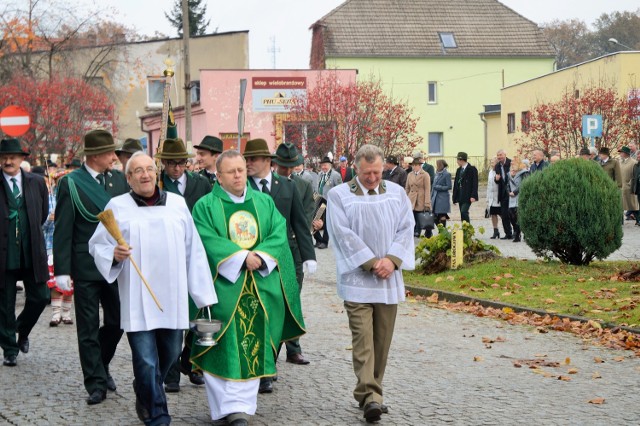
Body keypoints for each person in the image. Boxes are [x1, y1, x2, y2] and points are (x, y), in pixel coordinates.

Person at [89, 152, 218, 425]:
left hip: (172, 296)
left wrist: (203, 295)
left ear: (156, 173)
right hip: (137, 297)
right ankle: (158, 415)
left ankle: (145, 388)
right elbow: (96, 245)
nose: (145, 175)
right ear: (129, 178)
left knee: (169, 353)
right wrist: (114, 253)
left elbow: (192, 250)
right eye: (138, 171)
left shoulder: (177, 204)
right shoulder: (118, 206)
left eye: (149, 169)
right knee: (146, 360)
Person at [190, 150, 306, 426]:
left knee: (254, 345)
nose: (238, 175)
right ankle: (224, 408)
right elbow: (204, 239)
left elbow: (278, 233)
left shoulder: (264, 203)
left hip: (260, 287)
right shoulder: (205, 206)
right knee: (224, 346)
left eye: (241, 170)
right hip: (224, 289)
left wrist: (260, 256)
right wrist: (241, 257)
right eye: (231, 171)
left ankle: (241, 408)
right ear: (218, 176)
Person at [326, 144, 415, 423]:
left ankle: (371, 392)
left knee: (381, 341)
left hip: (389, 278)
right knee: (363, 340)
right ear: (355, 168)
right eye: (367, 173)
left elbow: (406, 228)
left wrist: (392, 260)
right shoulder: (339, 195)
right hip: (358, 281)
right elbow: (342, 234)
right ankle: (370, 397)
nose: (373, 178)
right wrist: (371, 262)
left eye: (377, 172)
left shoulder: (396, 193)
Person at [53, 129, 129, 404]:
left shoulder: (119, 181)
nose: (114, 157)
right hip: (85, 266)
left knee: (118, 322)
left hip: (114, 264)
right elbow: (63, 228)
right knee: (87, 328)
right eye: (110, 152)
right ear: (96, 155)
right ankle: (95, 383)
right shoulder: (71, 183)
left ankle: (101, 362)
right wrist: (62, 269)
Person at [244, 139, 316, 393]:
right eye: (246, 159)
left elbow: (299, 222)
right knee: (255, 312)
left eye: (253, 159)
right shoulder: (241, 188)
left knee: (277, 312)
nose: (248, 163)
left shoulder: (287, 186)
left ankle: (267, 368)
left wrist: (309, 256)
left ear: (267, 161)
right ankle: (256, 366)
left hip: (282, 258)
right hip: (251, 261)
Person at [155, 137, 212, 392]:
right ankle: (171, 374)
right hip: (168, 257)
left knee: (201, 313)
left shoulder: (201, 183)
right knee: (174, 317)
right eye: (170, 163)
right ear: (164, 164)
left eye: (180, 163)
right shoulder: (157, 186)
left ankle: (193, 363)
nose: (176, 168)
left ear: (187, 163)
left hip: (198, 255)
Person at [0, 138, 49, 367]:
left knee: (41, 297)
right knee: (5, 303)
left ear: (22, 159)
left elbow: (42, 214)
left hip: (31, 251)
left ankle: (22, 329)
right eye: (4, 157)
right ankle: (9, 348)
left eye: (12, 157)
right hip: (4, 253)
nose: (8, 161)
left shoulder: (36, 182)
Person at [313, 156, 342, 249]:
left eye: (325, 165)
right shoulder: (320, 174)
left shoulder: (335, 175)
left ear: (330, 165)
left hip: (329, 202)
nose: (323, 167)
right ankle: (318, 240)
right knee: (315, 219)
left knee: (326, 222)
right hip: (320, 201)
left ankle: (325, 242)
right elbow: (318, 187)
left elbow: (340, 189)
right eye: (322, 165)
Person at [405, 157, 432, 237]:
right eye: (413, 165)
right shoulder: (410, 174)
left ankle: (423, 230)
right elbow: (407, 188)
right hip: (412, 197)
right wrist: (406, 198)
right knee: (412, 215)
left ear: (420, 166)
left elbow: (427, 189)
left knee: (420, 214)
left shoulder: (425, 175)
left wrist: (427, 203)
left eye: (415, 165)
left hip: (421, 197)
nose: (414, 167)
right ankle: (414, 230)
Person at [452, 151, 478, 224]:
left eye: (457, 160)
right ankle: (465, 230)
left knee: (464, 211)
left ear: (461, 160)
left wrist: (473, 195)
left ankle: (468, 228)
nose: (457, 162)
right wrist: (454, 197)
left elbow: (475, 183)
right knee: (462, 214)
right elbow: (456, 184)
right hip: (460, 194)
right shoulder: (459, 170)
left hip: (468, 194)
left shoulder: (472, 169)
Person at [507, 160, 529, 242]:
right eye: (511, 164)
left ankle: (519, 234)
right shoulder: (509, 173)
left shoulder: (524, 173)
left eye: (514, 163)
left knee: (519, 216)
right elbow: (507, 184)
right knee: (512, 216)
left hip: (520, 196)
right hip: (512, 197)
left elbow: (524, 184)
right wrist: (509, 192)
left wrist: (515, 192)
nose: (512, 165)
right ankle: (516, 231)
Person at [494, 149, 512, 239]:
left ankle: (516, 232)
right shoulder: (497, 166)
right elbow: (497, 181)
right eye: (498, 155)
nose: (499, 157)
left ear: (505, 154)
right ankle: (508, 233)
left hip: (512, 192)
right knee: (504, 214)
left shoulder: (511, 163)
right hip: (503, 193)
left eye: (500, 155)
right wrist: (496, 179)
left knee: (512, 213)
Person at [618, 146, 638, 221]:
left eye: (621, 152)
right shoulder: (619, 162)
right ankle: (620, 221)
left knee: (632, 205)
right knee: (620, 205)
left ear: (626, 153)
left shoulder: (633, 162)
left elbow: (635, 175)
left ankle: (638, 220)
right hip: (620, 186)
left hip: (629, 187)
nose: (620, 154)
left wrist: (631, 184)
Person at [431, 159, 452, 230]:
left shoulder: (447, 174)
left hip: (443, 198)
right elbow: (433, 186)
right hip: (435, 197)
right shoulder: (436, 173)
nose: (436, 166)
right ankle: (442, 230)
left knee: (442, 214)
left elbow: (449, 186)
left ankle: (443, 232)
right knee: (434, 216)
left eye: (437, 164)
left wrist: (439, 187)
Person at [486, 157, 502, 239]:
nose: (491, 163)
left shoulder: (499, 171)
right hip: (491, 196)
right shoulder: (490, 172)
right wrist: (487, 198)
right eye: (491, 162)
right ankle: (495, 230)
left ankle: (510, 229)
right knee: (493, 214)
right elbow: (489, 185)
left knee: (502, 214)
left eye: (493, 161)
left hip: (498, 196)